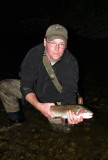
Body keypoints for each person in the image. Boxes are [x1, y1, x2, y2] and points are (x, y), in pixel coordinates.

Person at [0, 24, 83, 126]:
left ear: (66, 45)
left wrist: (71, 116)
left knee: (63, 131)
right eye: (52, 43)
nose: (57, 48)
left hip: (55, 102)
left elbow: (69, 92)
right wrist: (39, 105)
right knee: (4, 87)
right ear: (45, 42)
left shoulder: (71, 63)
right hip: (35, 90)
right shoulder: (34, 54)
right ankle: (16, 122)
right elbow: (26, 85)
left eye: (61, 44)